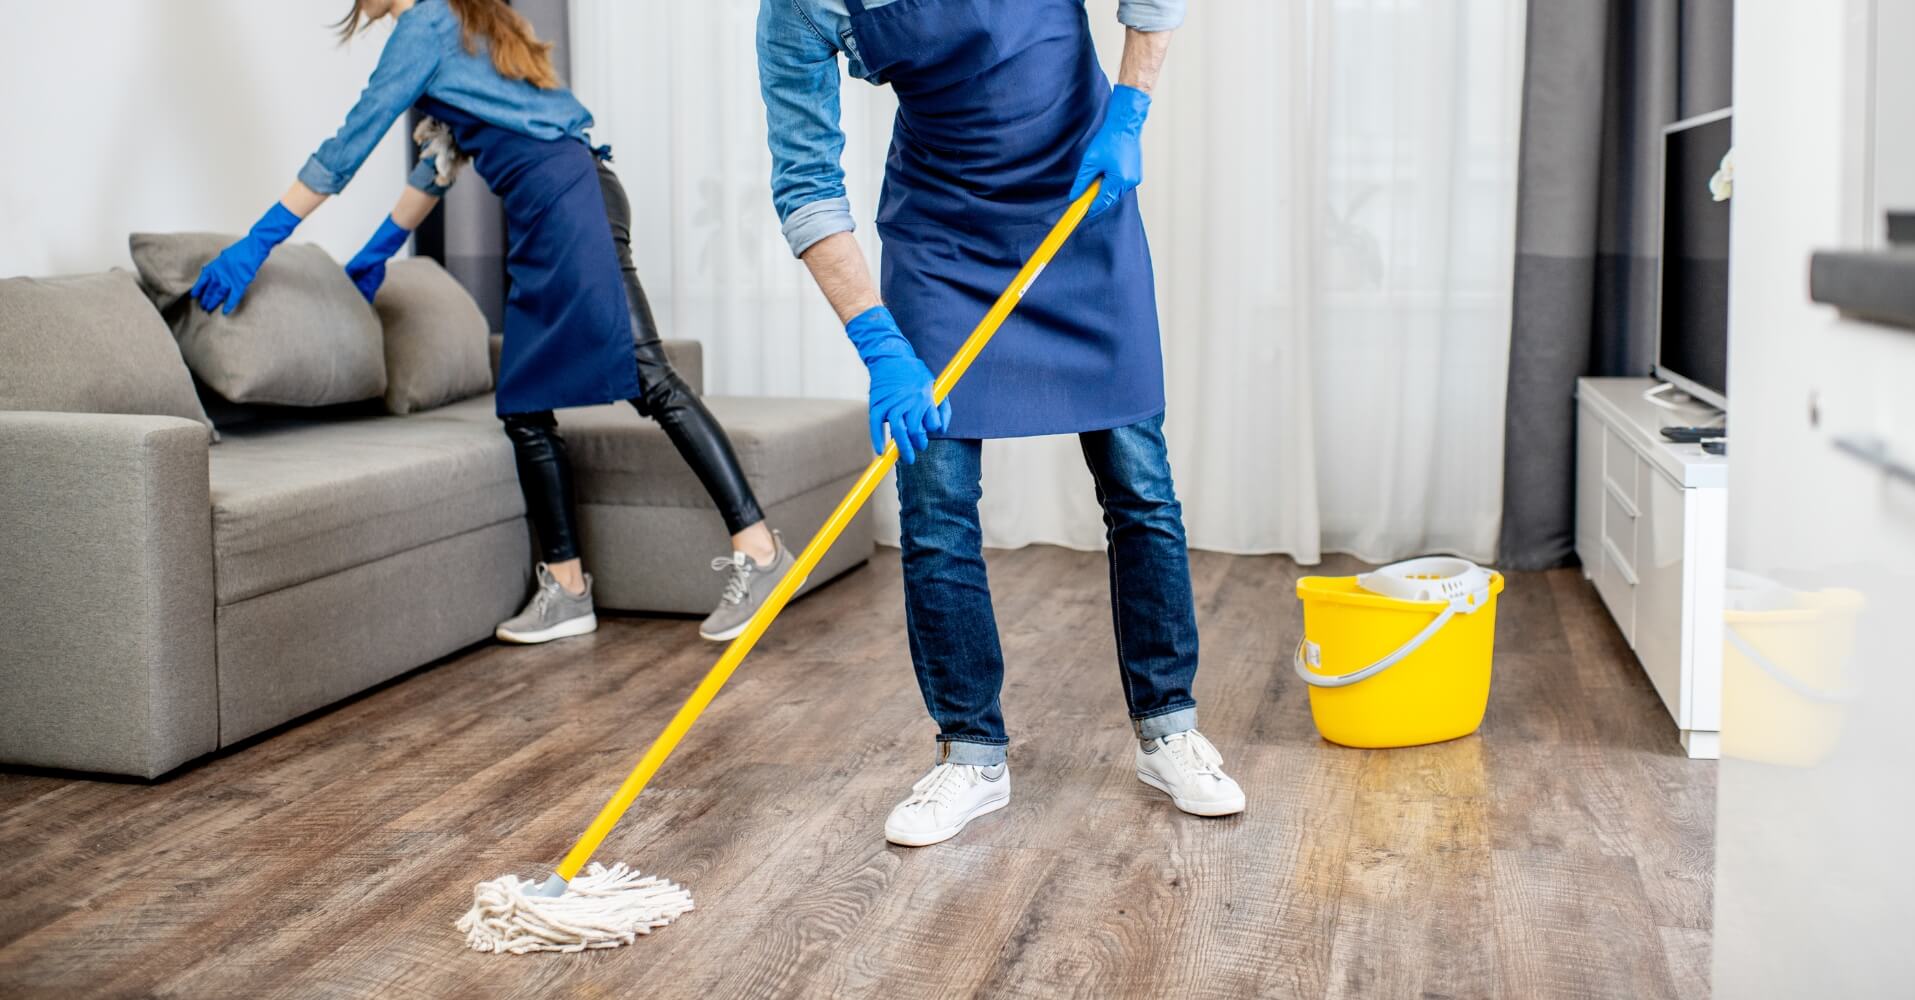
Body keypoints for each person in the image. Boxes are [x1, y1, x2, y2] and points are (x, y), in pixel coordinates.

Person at [757, 0, 1244, 847]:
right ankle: (970, 751)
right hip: (945, 234)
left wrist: (1128, 113)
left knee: (1139, 480)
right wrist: (879, 341)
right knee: (935, 495)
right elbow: (805, 179)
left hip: (1080, 196)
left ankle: (1169, 728)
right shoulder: (802, 5)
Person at [192, 0, 797, 645]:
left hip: (566, 201)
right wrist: (374, 253)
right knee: (525, 405)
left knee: (649, 376)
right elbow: (440, 164)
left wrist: (260, 241)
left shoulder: (427, 22)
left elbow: (349, 145)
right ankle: (566, 590)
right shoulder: (465, 23)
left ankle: (760, 554)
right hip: (552, 205)